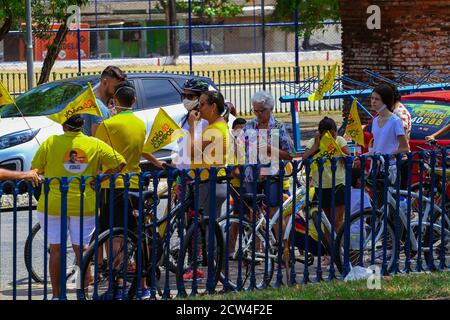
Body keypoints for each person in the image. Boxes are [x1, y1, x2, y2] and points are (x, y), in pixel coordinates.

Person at [31, 115, 126, 300]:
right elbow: (120, 162)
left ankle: (58, 296)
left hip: (53, 204)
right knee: (82, 250)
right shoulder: (94, 143)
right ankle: (82, 294)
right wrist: (101, 178)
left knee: (56, 249)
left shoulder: (51, 142)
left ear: (64, 125)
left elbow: (36, 169)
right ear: (82, 125)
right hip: (84, 204)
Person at [94, 81, 162, 299]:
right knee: (136, 235)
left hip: (111, 185)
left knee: (113, 237)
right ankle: (143, 286)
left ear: (114, 102)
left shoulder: (108, 125)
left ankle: (119, 284)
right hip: (134, 184)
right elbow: (142, 151)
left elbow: (97, 155)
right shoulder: (141, 124)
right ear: (134, 101)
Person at [186, 90, 229, 280]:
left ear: (213, 107)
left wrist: (192, 126)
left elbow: (192, 152)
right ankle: (218, 272)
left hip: (209, 182)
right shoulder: (215, 126)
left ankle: (217, 273)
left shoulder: (214, 129)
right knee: (211, 229)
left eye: (202, 104)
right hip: (209, 181)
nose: (198, 108)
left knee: (211, 231)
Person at [243, 91, 294, 228]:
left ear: (271, 109)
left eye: (262, 110)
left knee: (274, 210)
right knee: (253, 213)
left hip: (272, 174)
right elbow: (240, 149)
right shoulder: (249, 126)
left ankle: (280, 247)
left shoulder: (278, 126)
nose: (258, 114)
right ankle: (257, 247)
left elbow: (290, 154)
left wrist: (270, 148)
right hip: (252, 174)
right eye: (255, 110)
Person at [303, 117, 350, 244]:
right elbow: (304, 160)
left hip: (338, 184)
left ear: (336, 132)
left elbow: (348, 160)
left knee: (337, 221)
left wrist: (337, 152)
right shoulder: (313, 142)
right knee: (326, 222)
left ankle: (340, 250)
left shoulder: (340, 141)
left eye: (333, 133)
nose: (330, 136)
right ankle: (330, 252)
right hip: (321, 186)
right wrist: (317, 145)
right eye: (327, 134)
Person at [175, 77, 210, 171]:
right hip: (182, 173)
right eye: (184, 96)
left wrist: (192, 126)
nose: (186, 100)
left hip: (197, 175)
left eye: (190, 96)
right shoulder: (183, 119)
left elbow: (196, 151)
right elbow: (181, 147)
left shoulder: (208, 122)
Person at [82, 65, 127, 136]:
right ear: (105, 83)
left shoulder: (95, 102)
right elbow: (99, 142)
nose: (118, 90)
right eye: (116, 87)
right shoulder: (100, 108)